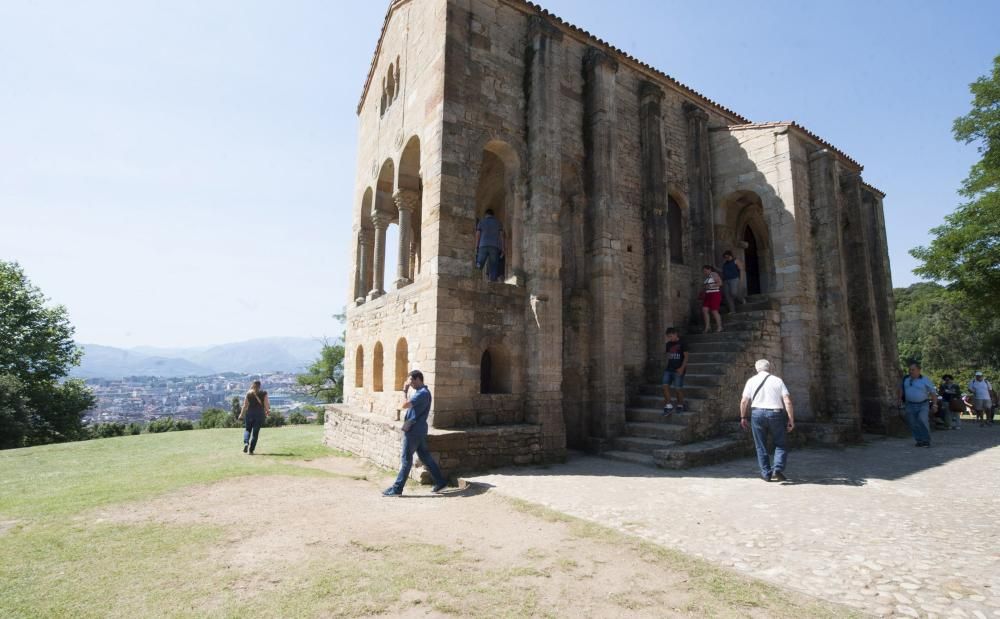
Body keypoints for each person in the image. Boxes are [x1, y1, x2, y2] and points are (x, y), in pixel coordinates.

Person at [383, 370, 449, 497]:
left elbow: (404, 405)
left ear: (418, 379)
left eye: (411, 381)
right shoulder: (422, 392)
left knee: (406, 459)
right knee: (425, 457)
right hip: (419, 430)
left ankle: (397, 489)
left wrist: (404, 391)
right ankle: (440, 482)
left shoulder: (421, 394)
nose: (410, 384)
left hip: (414, 431)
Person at [739, 359, 794, 481]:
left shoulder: (751, 381)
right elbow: (788, 401)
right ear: (769, 368)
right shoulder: (777, 380)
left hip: (757, 413)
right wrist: (791, 419)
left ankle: (766, 473)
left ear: (756, 368)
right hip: (775, 414)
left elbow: (744, 401)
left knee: (760, 445)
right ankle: (778, 468)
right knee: (781, 443)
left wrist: (743, 417)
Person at [900, 362, 937, 447]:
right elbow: (902, 391)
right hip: (909, 404)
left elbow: (933, 393)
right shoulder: (906, 379)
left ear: (919, 370)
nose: (910, 371)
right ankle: (919, 440)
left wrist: (935, 405)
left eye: (913, 370)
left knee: (922, 420)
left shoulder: (925, 380)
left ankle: (926, 440)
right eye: (910, 370)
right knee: (912, 423)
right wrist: (900, 401)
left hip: (923, 404)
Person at [661, 327, 688, 416]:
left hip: (678, 370)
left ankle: (680, 404)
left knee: (677, 389)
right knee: (664, 386)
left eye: (671, 336)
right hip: (669, 369)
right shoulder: (668, 344)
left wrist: (682, 368)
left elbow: (686, 357)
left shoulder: (683, 343)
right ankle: (668, 406)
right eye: (668, 337)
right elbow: (668, 356)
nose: (670, 338)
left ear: (676, 334)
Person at [239, 380, 270, 455]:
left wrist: (241, 415)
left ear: (252, 385)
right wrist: (267, 411)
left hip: (249, 414)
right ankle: (251, 450)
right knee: (255, 434)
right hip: (259, 415)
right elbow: (266, 405)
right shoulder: (264, 393)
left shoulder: (249, 393)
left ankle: (246, 443)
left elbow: (245, 405)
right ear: (260, 386)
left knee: (247, 430)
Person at [475, 209, 504, 282]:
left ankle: (476, 279)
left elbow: (478, 235)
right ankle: (492, 282)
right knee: (493, 265)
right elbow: (501, 236)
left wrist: (476, 246)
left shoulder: (481, 222)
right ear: (493, 215)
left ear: (486, 214)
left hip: (483, 245)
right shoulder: (498, 223)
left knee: (479, 264)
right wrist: (503, 248)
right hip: (494, 246)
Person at [701, 265, 723, 333]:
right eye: (703, 271)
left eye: (705, 270)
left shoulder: (714, 274)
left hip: (714, 294)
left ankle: (719, 327)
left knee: (714, 311)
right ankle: (707, 327)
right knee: (704, 309)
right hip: (708, 294)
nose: (704, 272)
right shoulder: (707, 277)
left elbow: (720, 283)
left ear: (709, 269)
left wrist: (710, 286)